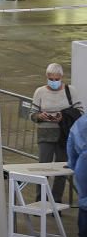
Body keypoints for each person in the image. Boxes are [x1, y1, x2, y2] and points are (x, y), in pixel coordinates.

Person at [33, 63, 81, 201]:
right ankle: (40, 200)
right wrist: (39, 116)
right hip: (45, 135)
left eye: (56, 79)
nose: (54, 82)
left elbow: (80, 112)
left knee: (61, 170)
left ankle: (56, 201)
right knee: (43, 168)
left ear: (61, 77)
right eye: (51, 79)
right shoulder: (39, 92)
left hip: (64, 135)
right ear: (46, 77)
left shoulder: (70, 91)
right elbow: (32, 113)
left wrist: (63, 116)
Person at [66, 113, 87, 237]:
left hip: (83, 164)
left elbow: (70, 144)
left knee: (84, 202)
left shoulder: (80, 122)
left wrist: (73, 164)